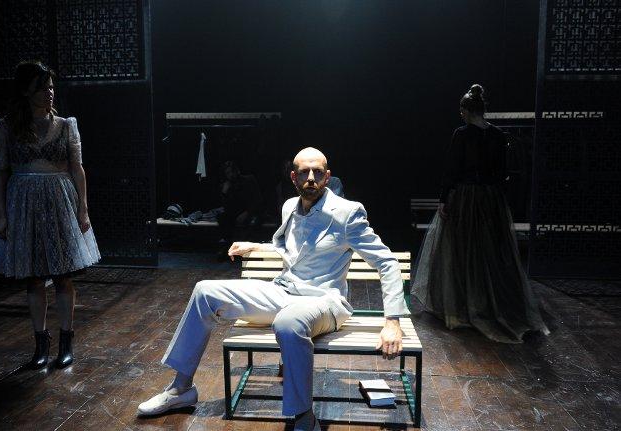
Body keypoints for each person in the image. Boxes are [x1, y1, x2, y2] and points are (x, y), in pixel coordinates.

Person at [138, 147, 407, 431]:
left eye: (317, 172)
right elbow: (293, 250)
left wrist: (393, 321)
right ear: (293, 177)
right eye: (304, 172)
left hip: (324, 302)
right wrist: (257, 247)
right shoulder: (290, 206)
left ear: (327, 177)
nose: (311, 178)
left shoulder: (347, 213)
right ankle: (181, 389)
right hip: (283, 292)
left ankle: (303, 417)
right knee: (205, 291)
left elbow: (387, 262)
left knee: (288, 322)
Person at [0, 61, 100, 369]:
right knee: (34, 277)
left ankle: (66, 342)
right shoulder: (6, 128)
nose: (49, 93)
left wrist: (83, 207)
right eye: (42, 88)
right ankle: (40, 344)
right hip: (24, 202)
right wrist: (1, 214)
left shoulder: (65, 125)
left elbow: (77, 168)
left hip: (59, 200)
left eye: (51, 87)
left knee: (62, 275)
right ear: (26, 91)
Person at [411, 84, 549, 343]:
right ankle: (487, 304)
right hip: (490, 199)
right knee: (489, 252)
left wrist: (444, 199)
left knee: (463, 250)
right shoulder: (497, 135)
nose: (460, 114)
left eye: (461, 110)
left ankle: (464, 305)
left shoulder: (462, 134)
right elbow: (502, 172)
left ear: (466, 110)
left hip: (466, 198)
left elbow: (452, 169)